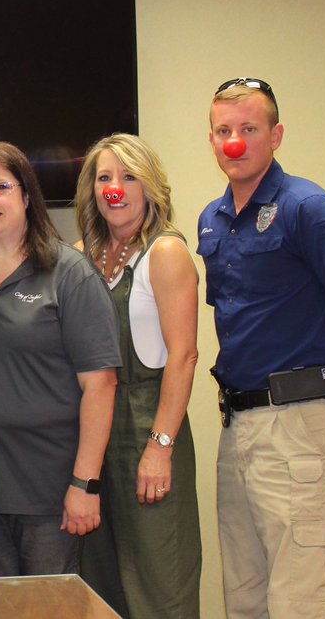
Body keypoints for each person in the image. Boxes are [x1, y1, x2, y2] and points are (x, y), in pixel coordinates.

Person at [198, 78, 325, 618]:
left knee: (302, 602)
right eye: (223, 131)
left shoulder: (310, 208)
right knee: (245, 600)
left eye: (249, 129)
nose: (235, 142)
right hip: (239, 429)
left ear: (276, 135)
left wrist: (318, 373)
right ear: (211, 140)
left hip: (300, 431)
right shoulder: (213, 221)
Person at [0, 141, 120, 577]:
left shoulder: (70, 273)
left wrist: (85, 484)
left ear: (26, 196)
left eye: (0, 186)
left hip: (51, 490)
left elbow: (100, 385)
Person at [74, 134, 202, 618]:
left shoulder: (165, 253)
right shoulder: (85, 254)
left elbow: (184, 356)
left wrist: (160, 446)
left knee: (158, 580)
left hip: (147, 427)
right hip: (96, 429)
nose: (115, 188)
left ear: (149, 186)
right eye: (104, 177)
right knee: (101, 580)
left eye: (128, 177)